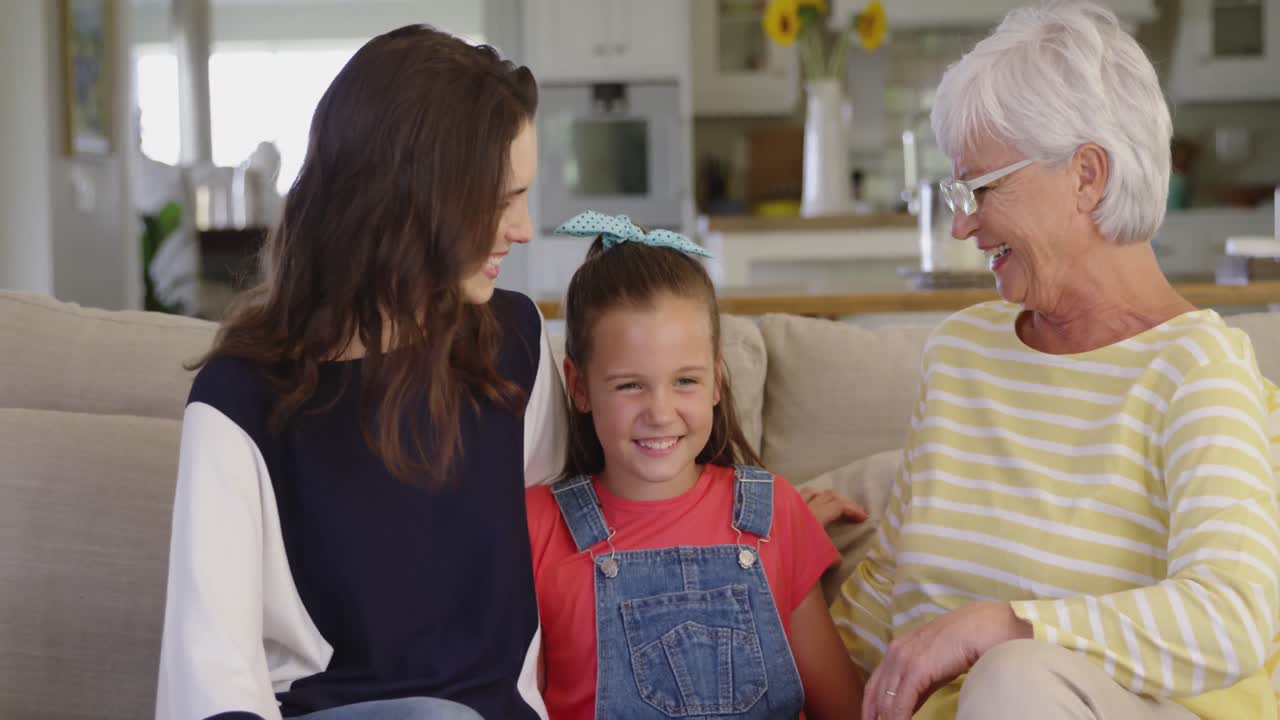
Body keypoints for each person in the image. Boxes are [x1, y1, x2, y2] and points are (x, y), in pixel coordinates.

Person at [830, 3, 1280, 720]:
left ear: (1086, 177)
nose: (961, 224)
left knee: (1014, 678)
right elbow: (887, 594)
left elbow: (1233, 611)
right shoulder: (961, 355)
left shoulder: (1196, 368)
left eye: (981, 188)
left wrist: (1002, 626)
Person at [155, 25, 566, 720]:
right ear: (412, 201)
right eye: (500, 200)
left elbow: (591, 514)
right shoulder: (241, 400)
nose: (524, 228)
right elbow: (210, 679)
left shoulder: (515, 343)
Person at [526, 211, 863, 719]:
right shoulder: (536, 527)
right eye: (629, 385)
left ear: (716, 382)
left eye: (685, 380)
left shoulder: (775, 514)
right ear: (579, 387)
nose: (661, 413)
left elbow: (845, 710)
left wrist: (792, 538)